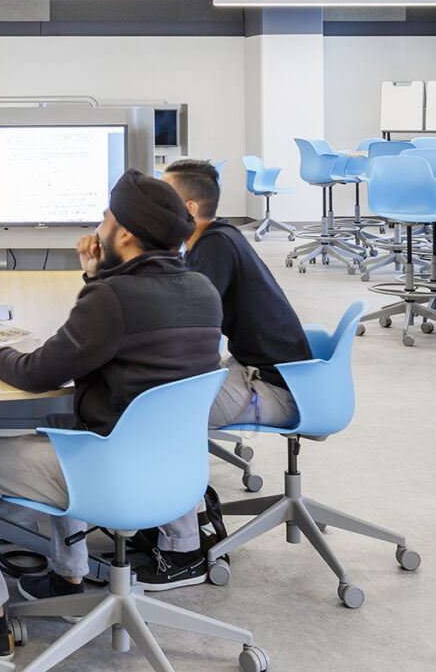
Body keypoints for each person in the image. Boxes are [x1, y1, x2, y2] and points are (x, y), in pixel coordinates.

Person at [0, 171, 223, 658]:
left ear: (124, 233)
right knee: (65, 426)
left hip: (108, 472)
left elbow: (39, 371)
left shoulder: (111, 299)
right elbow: (130, 330)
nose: (100, 224)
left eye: (107, 216)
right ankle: (67, 578)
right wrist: (96, 276)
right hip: (175, 475)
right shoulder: (202, 290)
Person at [132, 158, 313, 585]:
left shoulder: (213, 247)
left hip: (274, 387)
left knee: (162, 413)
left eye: (164, 198)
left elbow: (186, 327)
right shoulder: (216, 237)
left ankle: (185, 549)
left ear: (190, 209)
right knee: (159, 398)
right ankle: (170, 515)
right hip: (264, 371)